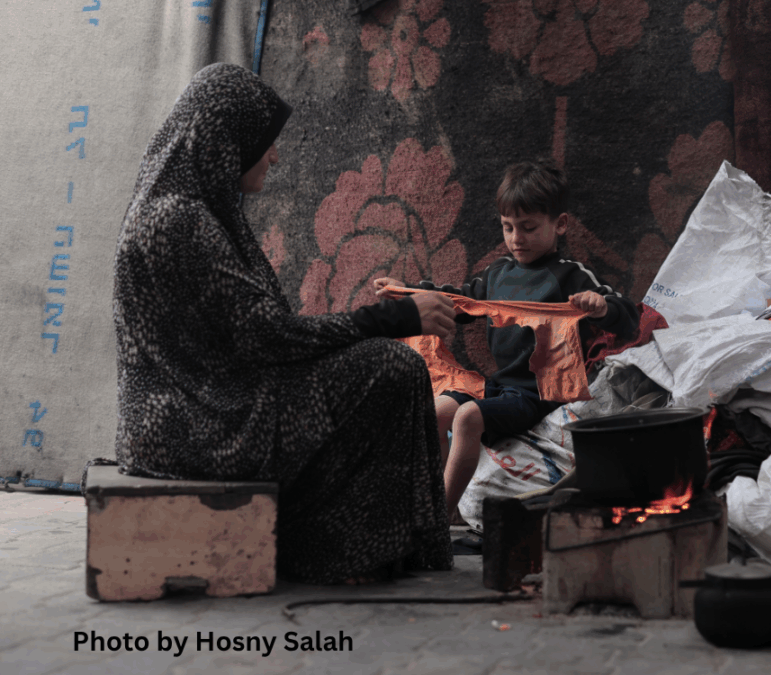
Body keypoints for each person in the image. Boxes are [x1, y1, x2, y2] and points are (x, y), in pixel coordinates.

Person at [112, 63, 457, 584]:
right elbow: (270, 338)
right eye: (266, 141)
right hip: (200, 425)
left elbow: (259, 334)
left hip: (192, 412)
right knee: (391, 368)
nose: (274, 154)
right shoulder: (181, 219)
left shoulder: (179, 206)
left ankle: (364, 547)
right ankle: (332, 551)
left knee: (382, 365)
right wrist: (394, 317)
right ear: (229, 140)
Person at [374, 159, 639, 516]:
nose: (517, 238)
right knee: (437, 412)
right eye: (508, 227)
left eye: (529, 228)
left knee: (467, 418)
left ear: (559, 224)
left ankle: (438, 522)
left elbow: (627, 317)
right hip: (499, 386)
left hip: (539, 394)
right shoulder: (498, 273)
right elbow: (460, 302)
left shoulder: (571, 277)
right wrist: (407, 295)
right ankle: (430, 506)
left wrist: (600, 307)